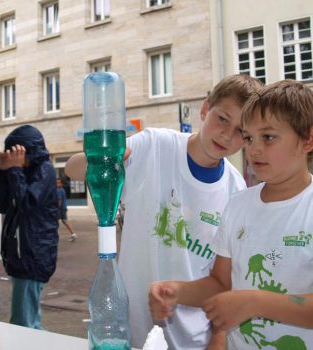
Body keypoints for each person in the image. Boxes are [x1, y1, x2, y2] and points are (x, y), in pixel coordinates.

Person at [65, 74, 263, 349]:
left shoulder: (236, 189)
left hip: (192, 340)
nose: (227, 135)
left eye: (241, 131)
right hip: (131, 333)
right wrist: (105, 157)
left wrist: (218, 337)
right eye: (222, 119)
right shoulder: (155, 146)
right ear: (205, 108)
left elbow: (223, 279)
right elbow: (72, 170)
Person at [149, 80, 313, 349]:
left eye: (268, 137)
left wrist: (254, 302)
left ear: (307, 139)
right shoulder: (237, 205)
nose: (254, 149)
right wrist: (176, 291)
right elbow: (220, 283)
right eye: (249, 138)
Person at [0, 125, 59, 329]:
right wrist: (3, 172)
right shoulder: (23, 172)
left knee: (24, 323)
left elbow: (28, 203)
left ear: (25, 150)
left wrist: (13, 170)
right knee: (27, 321)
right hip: (22, 256)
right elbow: (3, 204)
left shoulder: (44, 169)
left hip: (33, 257)